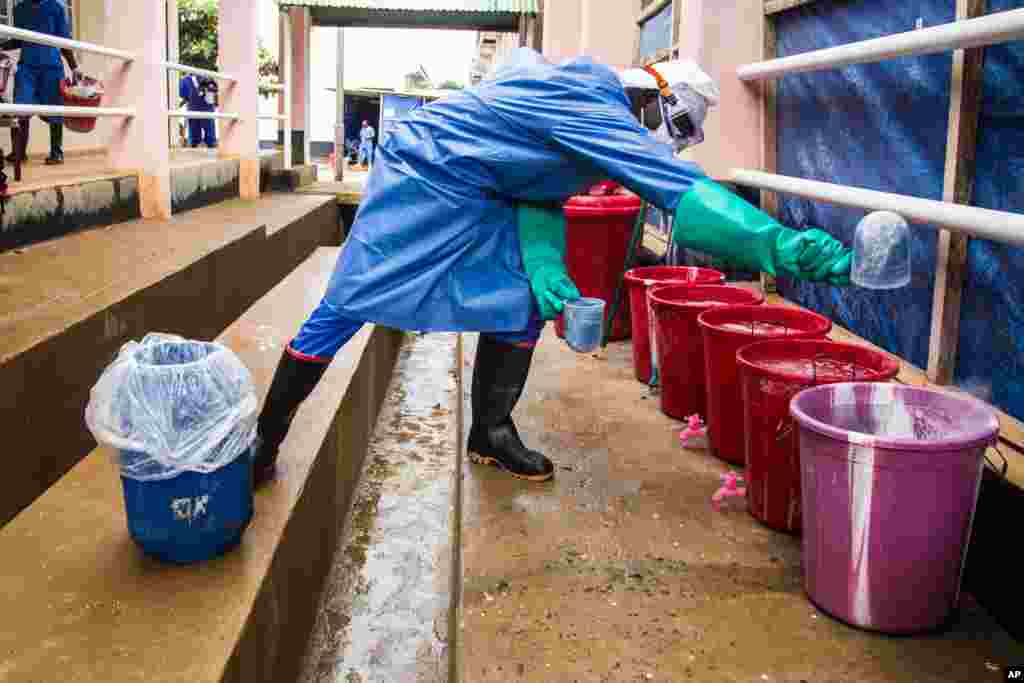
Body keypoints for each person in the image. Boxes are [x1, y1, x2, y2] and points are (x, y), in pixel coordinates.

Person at [251, 49, 850, 486]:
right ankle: (264, 441)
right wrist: (776, 244)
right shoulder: (596, 105)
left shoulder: (585, 102)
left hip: (483, 192)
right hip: (422, 177)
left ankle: (491, 431)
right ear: (655, 99)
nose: (670, 140)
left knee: (520, 299)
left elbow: (536, 184)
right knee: (349, 302)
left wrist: (542, 261)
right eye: (679, 128)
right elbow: (681, 191)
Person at [0, 0, 80, 166]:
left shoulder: (55, 8)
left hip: (51, 67)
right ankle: (19, 152)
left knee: (55, 109)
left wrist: (74, 67)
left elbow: (64, 41)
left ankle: (56, 152)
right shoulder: (20, 9)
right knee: (20, 108)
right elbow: (18, 40)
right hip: (27, 67)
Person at [179, 74, 218, 149]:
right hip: (205, 110)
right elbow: (214, 97)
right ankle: (209, 146)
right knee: (208, 137)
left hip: (195, 109)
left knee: (196, 137)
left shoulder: (185, 80)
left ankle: (198, 145)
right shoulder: (208, 76)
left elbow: (184, 96)